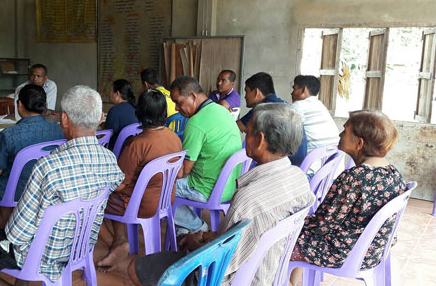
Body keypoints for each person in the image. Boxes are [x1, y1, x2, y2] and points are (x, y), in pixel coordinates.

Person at [0, 85, 124, 286]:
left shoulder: (48, 167)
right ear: (99, 119)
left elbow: (17, 234)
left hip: (40, 254)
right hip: (79, 247)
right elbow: (118, 186)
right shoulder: (109, 159)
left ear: (64, 119)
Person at [129, 103, 315, 286]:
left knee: (135, 268)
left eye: (247, 133)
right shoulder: (299, 179)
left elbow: (220, 264)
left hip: (224, 279)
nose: (244, 138)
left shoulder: (249, 199)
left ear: (260, 139)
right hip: (268, 273)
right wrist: (212, 237)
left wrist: (194, 243)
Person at [290, 110, 407, 286]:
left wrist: (294, 222)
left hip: (345, 253)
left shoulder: (354, 177)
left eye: (345, 131)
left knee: (279, 241)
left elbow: (323, 224)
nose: (340, 134)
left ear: (359, 143)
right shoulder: (394, 174)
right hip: (373, 252)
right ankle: (296, 282)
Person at [98, 89, 182, 271]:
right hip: (166, 200)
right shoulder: (174, 138)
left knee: (100, 199)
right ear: (164, 113)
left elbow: (119, 183)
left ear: (139, 113)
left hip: (141, 205)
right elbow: (180, 173)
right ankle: (119, 242)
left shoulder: (137, 144)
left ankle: (118, 241)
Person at [0, 84, 64, 228]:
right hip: (46, 188)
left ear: (20, 105)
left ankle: (11, 227)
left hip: (15, 191)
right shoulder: (59, 131)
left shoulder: (9, 134)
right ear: (44, 106)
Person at [170, 76, 242, 235]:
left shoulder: (196, 122)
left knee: (159, 190)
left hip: (207, 190)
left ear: (193, 97)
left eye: (179, 102)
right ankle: (184, 232)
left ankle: (196, 227)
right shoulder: (222, 111)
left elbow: (184, 172)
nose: (176, 108)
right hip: (230, 186)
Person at [237, 72, 308, 166]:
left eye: (246, 91)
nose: (245, 96)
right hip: (298, 165)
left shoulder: (263, 110)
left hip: (283, 165)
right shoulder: (283, 106)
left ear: (256, 92)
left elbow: (235, 127)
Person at [291, 75, 339, 150]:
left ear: (304, 90)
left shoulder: (298, 105)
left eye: (294, 89)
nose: (292, 93)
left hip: (313, 157)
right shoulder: (320, 105)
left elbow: (289, 133)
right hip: (334, 156)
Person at [104, 79, 139, 149]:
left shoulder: (114, 111)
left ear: (117, 93)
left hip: (116, 153)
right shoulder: (136, 108)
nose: (109, 94)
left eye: (111, 91)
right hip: (133, 150)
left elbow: (107, 136)